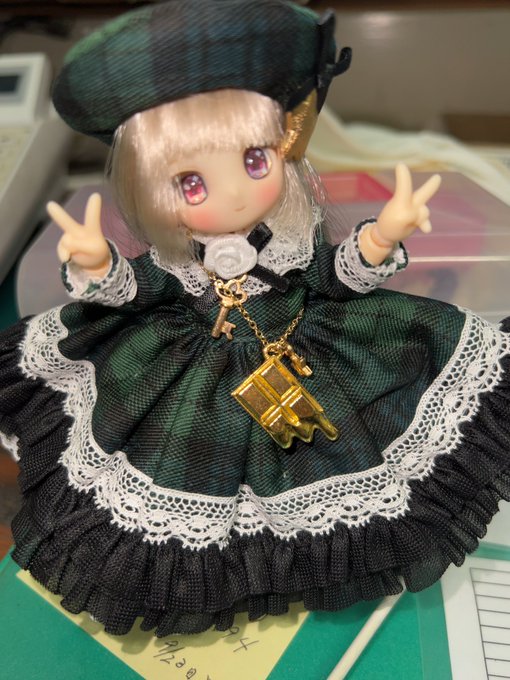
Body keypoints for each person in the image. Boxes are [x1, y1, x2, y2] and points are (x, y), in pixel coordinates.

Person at [1, 0, 508, 636]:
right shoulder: (177, 260)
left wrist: (381, 238)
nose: (237, 193)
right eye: (191, 183)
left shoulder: (290, 241)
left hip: (305, 349)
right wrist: (100, 265)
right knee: (178, 476)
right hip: (197, 376)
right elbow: (141, 289)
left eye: (254, 161)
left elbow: (331, 276)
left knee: (349, 449)